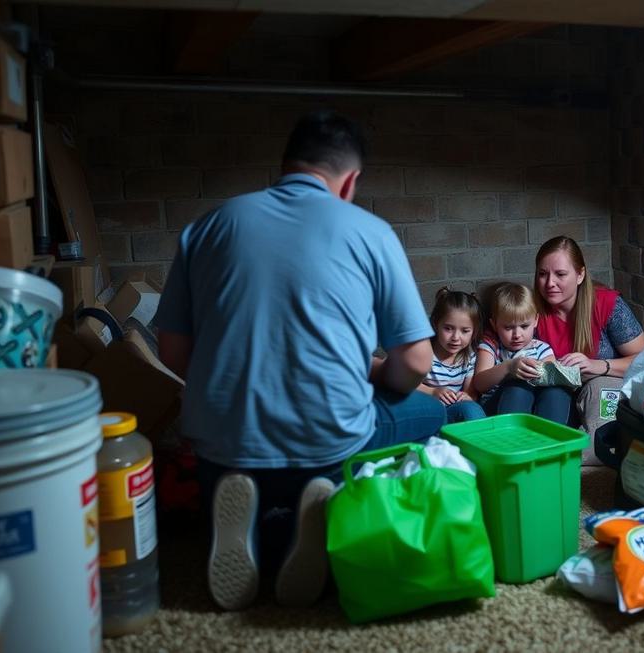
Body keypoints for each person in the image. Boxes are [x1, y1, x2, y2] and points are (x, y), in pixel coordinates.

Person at [155, 110, 445, 612]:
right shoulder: (370, 232)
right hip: (326, 444)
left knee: (247, 477)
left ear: (285, 165)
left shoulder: (208, 226)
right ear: (350, 181)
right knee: (436, 412)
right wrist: (376, 377)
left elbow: (172, 352)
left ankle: (259, 526)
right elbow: (417, 361)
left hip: (221, 448)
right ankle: (318, 514)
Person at [534, 236, 644, 462]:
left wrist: (599, 365)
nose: (549, 283)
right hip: (557, 395)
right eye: (542, 274)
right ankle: (551, 451)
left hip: (601, 385)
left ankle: (582, 452)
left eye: (560, 274)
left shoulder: (606, 304)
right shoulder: (531, 311)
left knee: (600, 390)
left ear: (580, 275)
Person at [472, 282, 572, 424]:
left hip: (535, 409)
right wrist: (509, 368)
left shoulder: (542, 349)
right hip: (497, 408)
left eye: (524, 326)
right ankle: (512, 440)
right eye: (508, 328)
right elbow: (479, 384)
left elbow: (551, 378)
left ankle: (552, 440)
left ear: (535, 321)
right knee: (519, 385)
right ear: (494, 325)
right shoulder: (491, 347)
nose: (517, 334)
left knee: (556, 392)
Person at [418, 287, 487, 423]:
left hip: (455, 411)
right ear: (435, 324)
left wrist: (467, 396)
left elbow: (471, 391)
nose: (455, 337)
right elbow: (407, 385)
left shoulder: (470, 356)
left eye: (465, 331)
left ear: (474, 331)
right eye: (448, 328)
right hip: (428, 410)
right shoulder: (424, 352)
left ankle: (482, 441)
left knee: (472, 410)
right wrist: (433, 392)